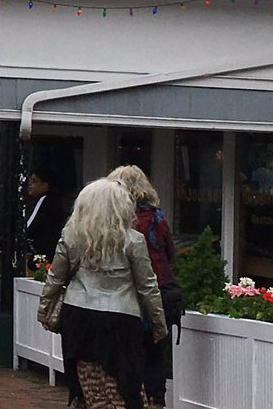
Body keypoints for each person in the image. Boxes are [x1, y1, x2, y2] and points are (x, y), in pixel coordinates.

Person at [39, 178, 167, 409]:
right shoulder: (133, 240)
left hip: (78, 315)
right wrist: (158, 325)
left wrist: (44, 311)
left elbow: (55, 278)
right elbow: (148, 286)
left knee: (87, 383)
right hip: (121, 319)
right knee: (125, 385)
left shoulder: (71, 235)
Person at [110, 165, 177, 408]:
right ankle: (156, 400)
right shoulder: (157, 218)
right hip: (160, 291)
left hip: (132, 295)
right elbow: (170, 252)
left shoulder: (122, 222)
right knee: (155, 352)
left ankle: (133, 400)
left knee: (130, 352)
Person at [25, 167, 64, 260]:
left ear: (45, 185)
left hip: (41, 252)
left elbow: (29, 226)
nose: (30, 185)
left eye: (34, 181)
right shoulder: (55, 201)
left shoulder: (43, 200)